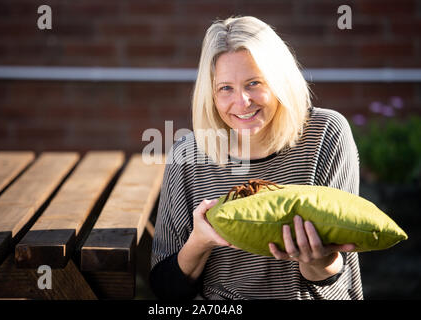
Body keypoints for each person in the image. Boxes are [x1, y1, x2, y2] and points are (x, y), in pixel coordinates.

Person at [149, 16, 363, 300]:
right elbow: (164, 289)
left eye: (254, 83)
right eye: (226, 88)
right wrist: (199, 242)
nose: (242, 102)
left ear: (279, 82)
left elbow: (339, 271)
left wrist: (315, 259)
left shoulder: (326, 134)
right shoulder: (188, 155)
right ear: (210, 94)